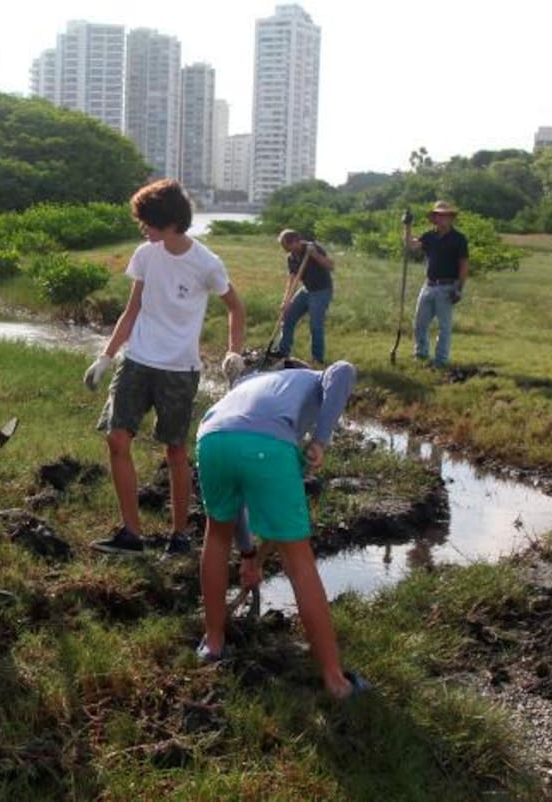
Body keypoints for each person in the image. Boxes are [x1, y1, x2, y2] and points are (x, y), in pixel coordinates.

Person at [83, 179, 246, 558]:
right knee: (117, 438)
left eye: (148, 222)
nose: (143, 228)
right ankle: (131, 535)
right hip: (137, 359)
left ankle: (180, 535)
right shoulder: (146, 254)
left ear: (170, 223)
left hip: (179, 368)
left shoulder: (206, 263)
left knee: (175, 450)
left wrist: (233, 353)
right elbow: (133, 308)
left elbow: (236, 307)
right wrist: (107, 357)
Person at [195, 359, 369, 699]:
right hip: (266, 447)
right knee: (299, 562)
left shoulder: (253, 384)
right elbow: (345, 370)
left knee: (216, 535)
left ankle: (213, 644)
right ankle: (335, 681)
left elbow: (239, 505)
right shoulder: (313, 378)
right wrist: (320, 440)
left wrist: (248, 556)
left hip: (212, 439)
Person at [404, 201, 470, 368]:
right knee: (419, 323)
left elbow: (464, 265)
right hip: (429, 285)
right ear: (434, 218)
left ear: (451, 218)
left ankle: (440, 361)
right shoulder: (429, 236)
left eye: (445, 215)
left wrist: (459, 288)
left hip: (448, 286)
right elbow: (411, 246)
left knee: (444, 327)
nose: (441, 218)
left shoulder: (459, 239)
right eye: (438, 215)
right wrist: (408, 226)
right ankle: (421, 354)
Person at [275, 230, 335, 365]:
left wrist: (315, 255)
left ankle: (317, 358)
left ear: (296, 241)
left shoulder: (312, 247)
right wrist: (286, 301)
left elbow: (330, 266)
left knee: (315, 325)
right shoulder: (291, 257)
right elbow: (292, 279)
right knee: (288, 316)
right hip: (306, 290)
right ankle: (283, 351)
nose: (284, 249)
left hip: (321, 291)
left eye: (286, 246)